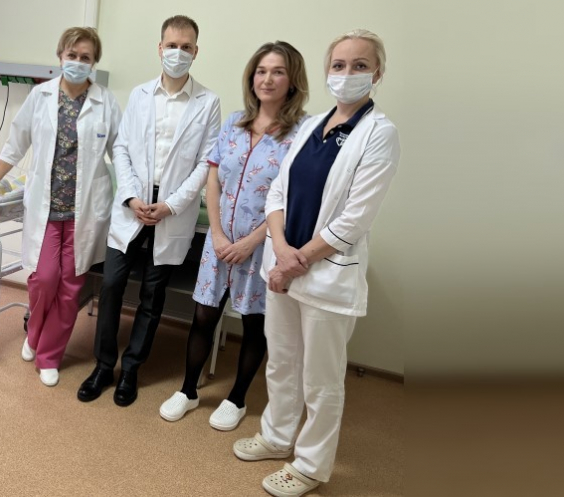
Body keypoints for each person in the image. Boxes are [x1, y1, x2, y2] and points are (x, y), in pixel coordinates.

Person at [232, 29, 401, 497]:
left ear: (377, 73)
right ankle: (277, 436)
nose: (347, 74)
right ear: (327, 71)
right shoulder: (311, 126)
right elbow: (278, 191)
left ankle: (309, 466)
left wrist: (297, 260)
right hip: (283, 263)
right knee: (282, 362)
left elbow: (355, 219)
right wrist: (281, 249)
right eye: (339, 65)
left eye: (360, 65)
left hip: (324, 273)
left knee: (321, 379)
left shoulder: (380, 134)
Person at [158, 41, 309, 431]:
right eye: (261, 71)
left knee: (255, 323)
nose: (267, 79)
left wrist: (251, 242)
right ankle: (188, 391)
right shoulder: (234, 122)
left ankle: (237, 398)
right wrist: (219, 234)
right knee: (203, 315)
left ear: (292, 80)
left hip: (263, 246)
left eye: (277, 71)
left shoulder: (302, 133)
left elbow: (291, 199)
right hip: (219, 240)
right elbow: (213, 179)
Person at [77, 15, 221, 407]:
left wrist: (172, 205)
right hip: (133, 204)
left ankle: (132, 369)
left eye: (186, 47)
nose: (178, 53)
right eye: (172, 45)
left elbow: (207, 163)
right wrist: (129, 197)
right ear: (160, 48)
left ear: (196, 52)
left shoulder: (208, 102)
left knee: (153, 295)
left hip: (172, 207)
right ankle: (104, 365)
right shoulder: (140, 95)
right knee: (111, 285)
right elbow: (122, 148)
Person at [0, 27, 121, 387]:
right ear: (60, 57)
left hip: (85, 212)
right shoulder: (41, 96)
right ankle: (35, 332)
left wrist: (132, 193)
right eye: (72, 55)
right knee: (44, 279)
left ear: (94, 62)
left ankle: (50, 355)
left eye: (85, 57)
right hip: (47, 209)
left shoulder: (106, 102)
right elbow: (16, 143)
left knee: (71, 286)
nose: (78, 62)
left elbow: (121, 152)